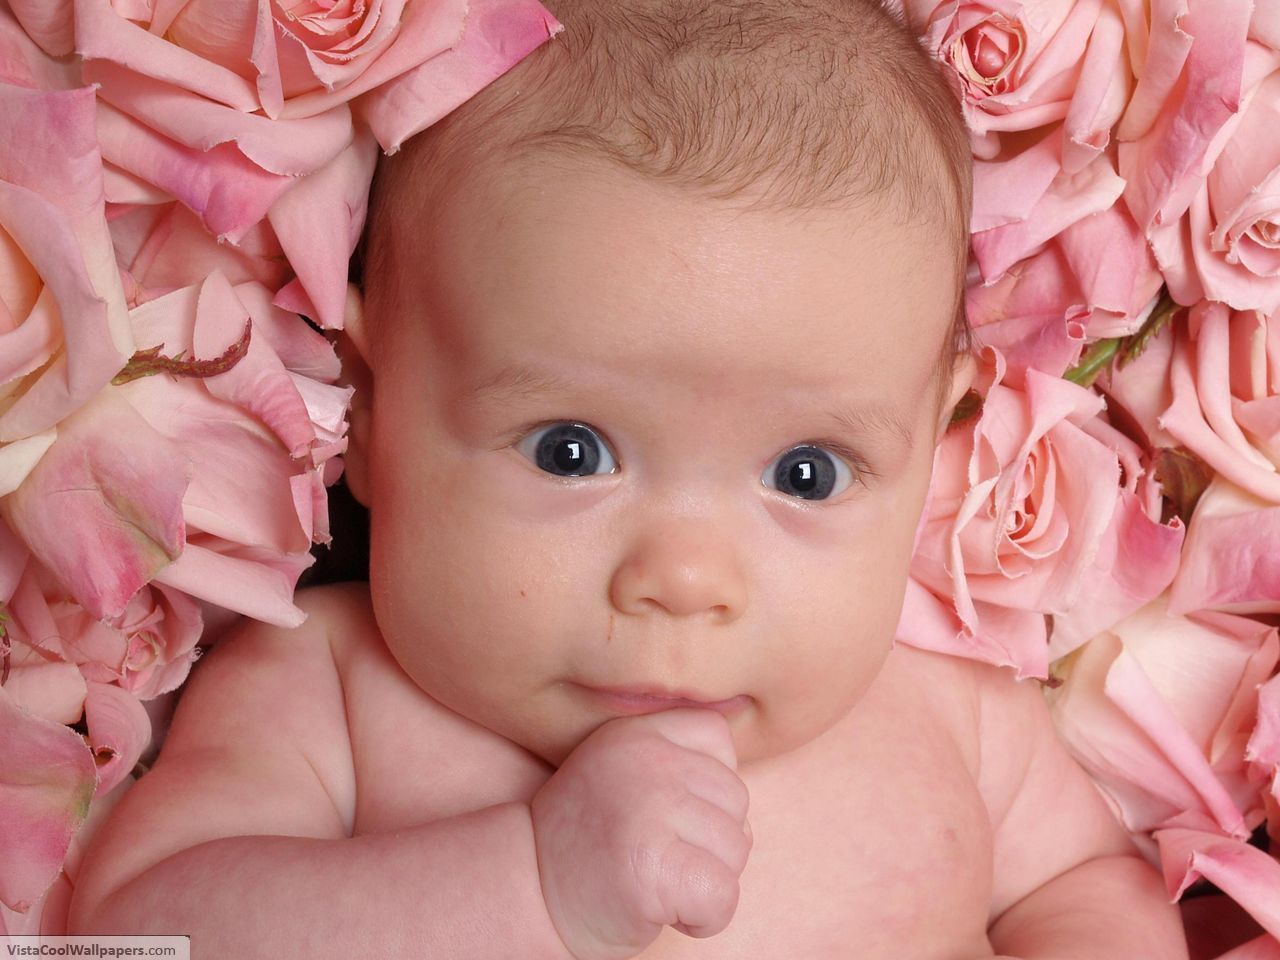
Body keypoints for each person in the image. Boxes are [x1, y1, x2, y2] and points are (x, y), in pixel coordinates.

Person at [66, 0, 1190, 956]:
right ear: (370, 405)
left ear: (934, 443)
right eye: (570, 450)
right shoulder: (327, 690)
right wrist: (529, 886)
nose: (685, 578)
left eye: (805, 473)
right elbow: (128, 932)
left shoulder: (958, 719)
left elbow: (1088, 888)